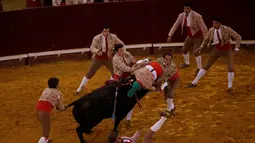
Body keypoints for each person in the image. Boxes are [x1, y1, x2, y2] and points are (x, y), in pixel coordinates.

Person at [187, 16, 242, 93]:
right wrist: (201, 47)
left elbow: (238, 37)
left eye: (216, 23)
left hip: (227, 50)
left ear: (220, 23)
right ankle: (194, 82)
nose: (214, 25)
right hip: (217, 49)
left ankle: (230, 87)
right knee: (206, 66)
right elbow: (206, 40)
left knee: (231, 68)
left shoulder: (227, 29)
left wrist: (236, 49)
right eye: (213, 23)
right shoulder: (211, 30)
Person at [74, 26, 124, 96]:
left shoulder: (113, 37)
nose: (107, 33)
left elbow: (121, 44)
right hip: (98, 58)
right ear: (102, 32)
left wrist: (117, 51)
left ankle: (109, 87)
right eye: (105, 31)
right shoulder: (96, 38)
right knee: (90, 73)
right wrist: (97, 51)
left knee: (115, 73)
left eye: (108, 31)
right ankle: (79, 89)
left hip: (108, 58)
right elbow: (92, 47)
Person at [167, 2, 208, 75]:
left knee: (196, 52)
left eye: (187, 8)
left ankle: (199, 68)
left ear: (191, 9)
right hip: (190, 36)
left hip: (198, 36)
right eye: (184, 8)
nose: (185, 10)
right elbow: (175, 25)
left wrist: (206, 39)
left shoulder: (197, 16)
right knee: (184, 50)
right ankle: (187, 63)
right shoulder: (181, 15)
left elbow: (203, 28)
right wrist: (170, 35)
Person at [35, 77, 66, 143]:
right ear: (57, 85)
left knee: (45, 127)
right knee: (46, 134)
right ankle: (43, 140)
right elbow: (60, 107)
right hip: (45, 112)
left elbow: (51, 100)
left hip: (37, 110)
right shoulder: (59, 94)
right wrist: (63, 108)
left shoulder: (45, 89)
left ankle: (45, 140)